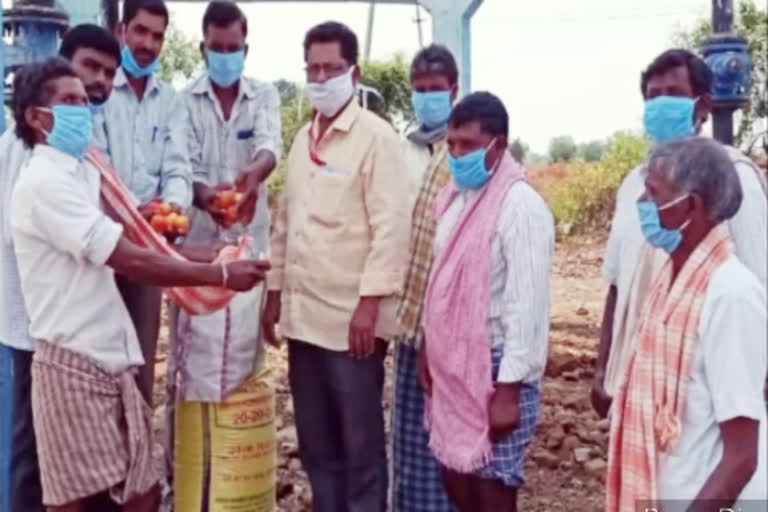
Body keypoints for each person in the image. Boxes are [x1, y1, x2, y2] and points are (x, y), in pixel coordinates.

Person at [9, 57, 269, 512]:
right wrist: (219, 275)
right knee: (76, 501)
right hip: (72, 362)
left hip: (108, 357)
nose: (83, 110)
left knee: (140, 494)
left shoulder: (82, 172)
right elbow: (128, 258)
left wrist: (204, 255)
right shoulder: (44, 184)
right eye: (68, 101)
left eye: (84, 101)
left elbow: (132, 239)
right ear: (35, 117)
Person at [261, 21, 410, 512]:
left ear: (354, 72)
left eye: (332, 68)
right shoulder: (304, 138)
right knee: (318, 445)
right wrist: (275, 293)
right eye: (313, 68)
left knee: (360, 447)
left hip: (352, 327)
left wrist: (370, 306)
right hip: (304, 322)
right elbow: (287, 219)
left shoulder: (376, 139)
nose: (321, 78)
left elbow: (391, 229)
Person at [591, 49, 768, 418]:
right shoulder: (634, 186)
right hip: (635, 378)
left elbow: (758, 284)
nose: (659, 104)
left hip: (701, 385)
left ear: (701, 107)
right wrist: (602, 367)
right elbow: (616, 285)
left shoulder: (733, 179)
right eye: (652, 97)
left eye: (672, 94)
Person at [606, 137, 766, 512]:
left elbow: (742, 456)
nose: (642, 205)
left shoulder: (731, 293)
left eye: (653, 194)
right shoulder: (669, 277)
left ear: (690, 206)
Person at [0, 24, 122, 512]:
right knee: (34, 453)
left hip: (75, 329)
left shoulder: (76, 151)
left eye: (107, 74)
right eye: (88, 67)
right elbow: (27, 232)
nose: (97, 82)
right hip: (34, 322)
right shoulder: (19, 151)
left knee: (77, 452)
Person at [167, 0, 282, 504]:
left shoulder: (264, 95)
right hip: (197, 255)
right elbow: (180, 164)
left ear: (245, 47)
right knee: (190, 369)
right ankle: (191, 485)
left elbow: (269, 146)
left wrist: (251, 178)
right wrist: (204, 197)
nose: (225, 56)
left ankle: (235, 490)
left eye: (233, 48)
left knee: (240, 364)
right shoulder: (182, 102)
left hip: (248, 254)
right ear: (203, 47)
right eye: (217, 49)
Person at [421, 92, 554, 512]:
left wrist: (508, 390)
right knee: (458, 482)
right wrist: (429, 346)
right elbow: (439, 283)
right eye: (452, 144)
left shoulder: (521, 207)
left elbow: (526, 308)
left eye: (469, 146)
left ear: (499, 145)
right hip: (455, 368)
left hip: (498, 369)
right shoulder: (456, 200)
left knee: (493, 489)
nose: (458, 155)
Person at [100, 0, 193, 404]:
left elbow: (178, 168)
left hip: (148, 248)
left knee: (139, 363)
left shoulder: (169, 101)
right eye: (140, 31)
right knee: (98, 363)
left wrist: (171, 213)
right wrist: (135, 217)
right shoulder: (100, 89)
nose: (148, 43)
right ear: (122, 32)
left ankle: (136, 461)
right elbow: (96, 168)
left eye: (157, 36)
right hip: (100, 247)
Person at [392, 44, 458, 512]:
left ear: (454, 90)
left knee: (454, 434)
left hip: (457, 323)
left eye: (436, 90)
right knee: (412, 435)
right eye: (420, 90)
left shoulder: (468, 151)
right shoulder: (404, 152)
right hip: (412, 315)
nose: (428, 98)